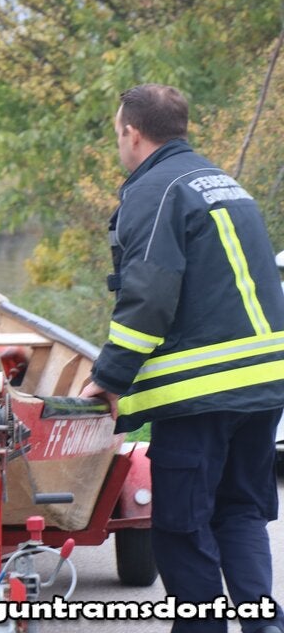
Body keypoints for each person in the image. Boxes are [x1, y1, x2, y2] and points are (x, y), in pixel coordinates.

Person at [80, 84, 284, 633]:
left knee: (180, 525)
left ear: (132, 132)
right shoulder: (225, 183)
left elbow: (147, 298)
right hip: (264, 386)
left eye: (117, 133)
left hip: (200, 393)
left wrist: (108, 378)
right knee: (239, 510)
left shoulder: (152, 191)